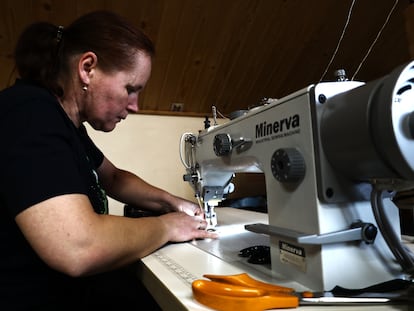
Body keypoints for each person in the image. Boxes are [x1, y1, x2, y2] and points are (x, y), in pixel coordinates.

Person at [0, 10, 217, 310]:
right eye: (130, 89)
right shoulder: (29, 113)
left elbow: (114, 178)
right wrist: (169, 226)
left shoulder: (67, 125)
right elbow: (77, 246)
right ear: (87, 68)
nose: (136, 106)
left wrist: (172, 202)